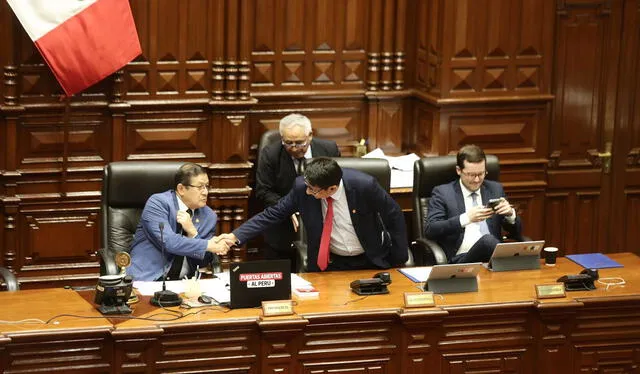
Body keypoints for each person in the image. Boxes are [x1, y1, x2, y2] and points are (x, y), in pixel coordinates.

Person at [220, 157, 408, 272]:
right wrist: (236, 236)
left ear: (332, 188)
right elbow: (272, 214)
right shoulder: (302, 188)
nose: (308, 192)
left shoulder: (365, 186)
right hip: (330, 263)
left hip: (370, 260)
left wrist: (398, 258)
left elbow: (395, 216)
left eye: (313, 190)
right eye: (307, 186)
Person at [255, 113, 340, 266]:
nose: (294, 148)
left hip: (322, 218)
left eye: (300, 143)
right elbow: (263, 191)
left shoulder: (329, 149)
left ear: (310, 136)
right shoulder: (270, 154)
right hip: (283, 227)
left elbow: (337, 183)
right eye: (288, 143)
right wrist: (288, 208)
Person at [128, 163, 229, 281]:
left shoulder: (208, 216)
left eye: (207, 186)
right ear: (181, 189)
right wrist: (207, 245)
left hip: (185, 284)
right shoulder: (158, 203)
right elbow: (169, 243)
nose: (205, 192)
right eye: (200, 187)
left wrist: (193, 233)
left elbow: (202, 262)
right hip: (148, 279)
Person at [424, 144, 522, 263]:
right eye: (471, 175)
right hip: (462, 259)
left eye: (481, 174)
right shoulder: (443, 193)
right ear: (459, 170)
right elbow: (431, 230)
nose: (477, 180)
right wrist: (466, 218)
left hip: (492, 259)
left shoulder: (495, 189)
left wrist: (510, 214)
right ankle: (509, 264)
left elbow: (516, 233)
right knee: (488, 241)